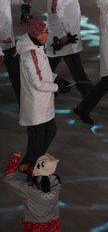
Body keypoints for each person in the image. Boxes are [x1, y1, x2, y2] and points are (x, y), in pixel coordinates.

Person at [17, 19, 70, 170]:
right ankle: (28, 169)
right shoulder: (31, 54)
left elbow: (43, 72)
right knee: (36, 140)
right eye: (46, 32)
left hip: (43, 103)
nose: (48, 34)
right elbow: (38, 83)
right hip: (36, 106)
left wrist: (56, 78)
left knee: (50, 131)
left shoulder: (38, 47)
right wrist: (56, 87)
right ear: (39, 35)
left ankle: (33, 165)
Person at [45, 0, 93, 99]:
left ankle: (46, 89)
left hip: (69, 36)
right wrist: (62, 37)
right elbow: (53, 15)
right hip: (63, 39)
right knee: (76, 68)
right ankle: (89, 97)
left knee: (48, 67)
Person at [0, 0, 32, 103]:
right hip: (3, 40)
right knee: (15, 71)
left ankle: (24, 103)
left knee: (15, 71)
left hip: (7, 39)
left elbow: (5, 1)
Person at [3, 152, 62, 231]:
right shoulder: (57, 183)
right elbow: (43, 175)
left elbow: (7, 179)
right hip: (53, 224)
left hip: (34, 226)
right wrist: (29, 169)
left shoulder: (29, 189)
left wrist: (15, 158)